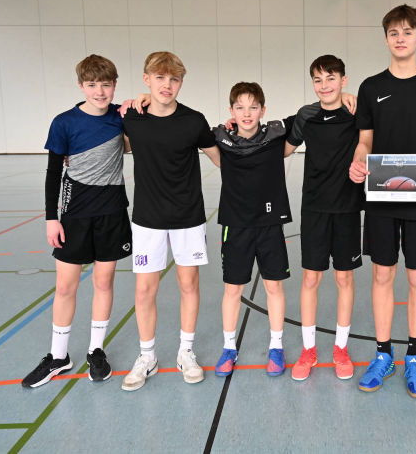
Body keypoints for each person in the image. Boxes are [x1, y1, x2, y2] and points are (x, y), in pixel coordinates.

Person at [349, 4, 416, 398]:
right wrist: (358, 162)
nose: (400, 38)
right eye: (393, 32)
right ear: (386, 38)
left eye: (408, 31)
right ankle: (383, 354)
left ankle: (413, 357)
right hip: (381, 191)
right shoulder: (370, 87)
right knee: (382, 274)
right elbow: (365, 140)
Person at [22, 54, 131, 388]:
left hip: (111, 212)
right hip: (74, 214)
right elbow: (53, 171)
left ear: (115, 85)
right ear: (81, 85)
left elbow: (150, 113)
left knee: (103, 282)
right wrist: (51, 218)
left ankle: (96, 350)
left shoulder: (121, 118)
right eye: (92, 85)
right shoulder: (64, 122)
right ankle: (58, 356)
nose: (100, 92)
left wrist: (136, 103)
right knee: (65, 286)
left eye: (106, 84)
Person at [121, 52, 216, 391]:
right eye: (160, 78)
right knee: (145, 289)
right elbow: (98, 114)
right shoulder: (131, 118)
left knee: (188, 284)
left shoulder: (194, 121)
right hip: (147, 218)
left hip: (187, 216)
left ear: (181, 83)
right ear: (146, 79)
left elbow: (223, 158)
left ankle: (185, 352)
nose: (167, 85)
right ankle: (147, 356)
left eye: (174, 79)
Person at [206, 82, 294, 378]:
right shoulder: (220, 140)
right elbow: (184, 127)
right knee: (233, 289)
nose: (246, 113)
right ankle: (229, 347)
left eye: (253, 107)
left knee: (274, 287)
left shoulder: (276, 137)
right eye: (240, 108)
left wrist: (344, 97)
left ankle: (276, 346)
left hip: (269, 225)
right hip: (236, 226)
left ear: (263, 110)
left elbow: (309, 116)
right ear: (231, 111)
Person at [286, 55, 363, 382]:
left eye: (331, 78)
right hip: (314, 208)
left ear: (343, 80)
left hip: (347, 208)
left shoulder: (357, 112)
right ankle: (309, 350)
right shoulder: (306, 115)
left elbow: (394, 119)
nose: (324, 85)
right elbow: (283, 148)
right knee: (310, 279)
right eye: (318, 80)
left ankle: (340, 348)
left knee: (344, 279)